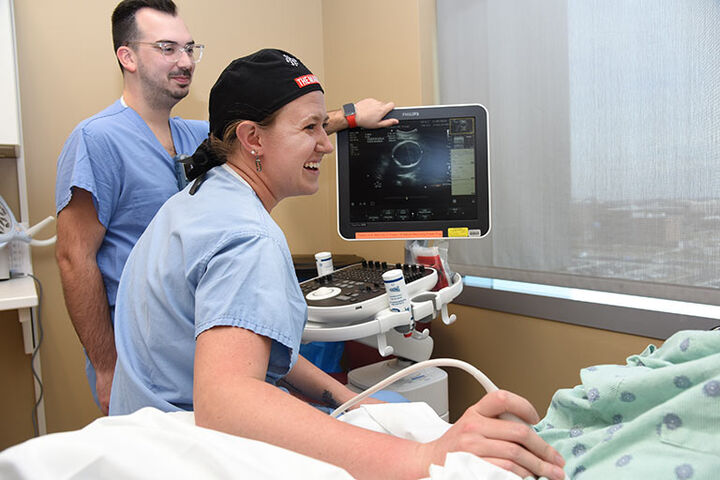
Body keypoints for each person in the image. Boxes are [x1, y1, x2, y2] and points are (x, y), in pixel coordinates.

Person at [108, 49, 566, 480]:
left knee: (382, 406)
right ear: (251, 139)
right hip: (191, 455)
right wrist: (421, 457)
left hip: (143, 439)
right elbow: (227, 401)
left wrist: (351, 401)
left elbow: (251, 355)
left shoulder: (195, 201)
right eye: (309, 128)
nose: (325, 146)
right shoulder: (247, 238)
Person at [54, 0, 397, 415]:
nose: (184, 60)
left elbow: (279, 123)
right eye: (167, 48)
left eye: (189, 48)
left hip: (193, 343)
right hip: (147, 356)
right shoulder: (97, 140)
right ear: (126, 56)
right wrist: (107, 368)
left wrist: (351, 116)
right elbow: (75, 259)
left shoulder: (195, 139)